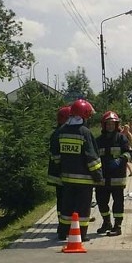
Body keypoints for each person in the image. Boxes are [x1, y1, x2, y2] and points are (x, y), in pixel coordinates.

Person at [52, 99, 103, 242]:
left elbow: (56, 156)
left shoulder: (61, 131)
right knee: (83, 207)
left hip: (67, 179)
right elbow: (92, 157)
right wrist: (98, 175)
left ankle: (63, 233)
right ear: (84, 115)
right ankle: (81, 233)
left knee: (66, 206)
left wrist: (62, 166)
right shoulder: (85, 133)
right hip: (84, 180)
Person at [95, 111, 132, 236]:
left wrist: (120, 160)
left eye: (112, 124)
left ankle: (117, 226)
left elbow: (129, 153)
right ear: (104, 125)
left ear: (116, 125)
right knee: (101, 201)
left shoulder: (121, 138)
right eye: (108, 124)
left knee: (118, 202)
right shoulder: (98, 140)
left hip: (117, 177)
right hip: (102, 177)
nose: (110, 126)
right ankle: (106, 222)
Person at [47, 105, 71, 238]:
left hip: (58, 173)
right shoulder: (60, 133)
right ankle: (63, 226)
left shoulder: (57, 132)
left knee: (61, 199)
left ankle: (62, 225)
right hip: (61, 173)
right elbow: (57, 156)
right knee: (63, 200)